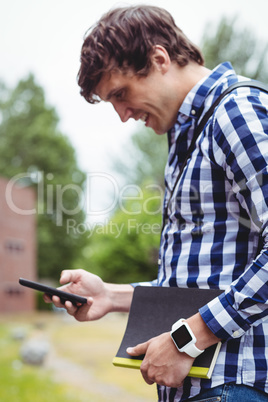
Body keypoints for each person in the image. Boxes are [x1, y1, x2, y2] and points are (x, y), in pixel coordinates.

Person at [44, 5, 268, 402]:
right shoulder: (186, 137)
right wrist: (110, 297)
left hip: (235, 387)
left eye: (120, 94)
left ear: (159, 59)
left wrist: (187, 339)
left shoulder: (237, 112)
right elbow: (199, 283)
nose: (122, 115)